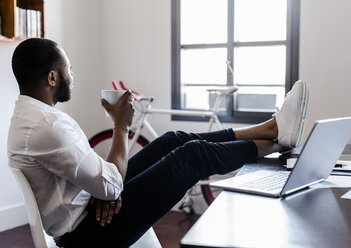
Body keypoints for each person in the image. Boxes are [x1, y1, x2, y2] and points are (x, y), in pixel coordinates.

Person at [7, 38, 309, 248]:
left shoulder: (32, 116)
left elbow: (102, 183)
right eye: (68, 70)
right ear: (52, 78)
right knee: (191, 156)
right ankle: (276, 141)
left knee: (172, 140)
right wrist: (121, 124)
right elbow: (111, 185)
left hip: (87, 213)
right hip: (90, 237)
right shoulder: (46, 126)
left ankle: (272, 129)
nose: (72, 75)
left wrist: (106, 191)